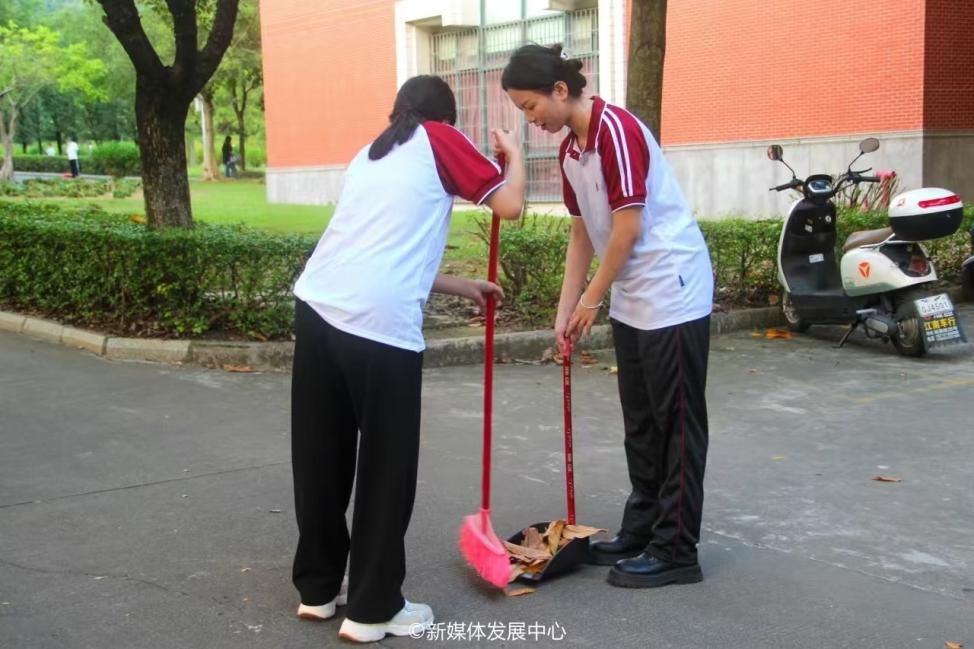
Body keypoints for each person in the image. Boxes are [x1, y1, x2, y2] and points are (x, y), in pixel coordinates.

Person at [290, 74, 524, 643]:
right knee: (386, 467)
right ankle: (373, 610)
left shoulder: (371, 154)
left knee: (322, 456)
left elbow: (379, 249)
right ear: (445, 117)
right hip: (379, 329)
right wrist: (514, 157)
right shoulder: (440, 138)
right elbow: (511, 205)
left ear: (396, 111)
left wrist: (460, 285)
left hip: (318, 309)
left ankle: (318, 590)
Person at [502, 44, 714, 588]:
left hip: (671, 289)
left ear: (560, 90)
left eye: (531, 107)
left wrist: (591, 301)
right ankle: (642, 529)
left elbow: (628, 228)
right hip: (632, 295)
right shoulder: (570, 152)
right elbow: (582, 233)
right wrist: (565, 308)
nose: (531, 119)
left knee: (676, 424)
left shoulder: (615, 130)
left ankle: (677, 550)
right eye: (523, 111)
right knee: (640, 421)